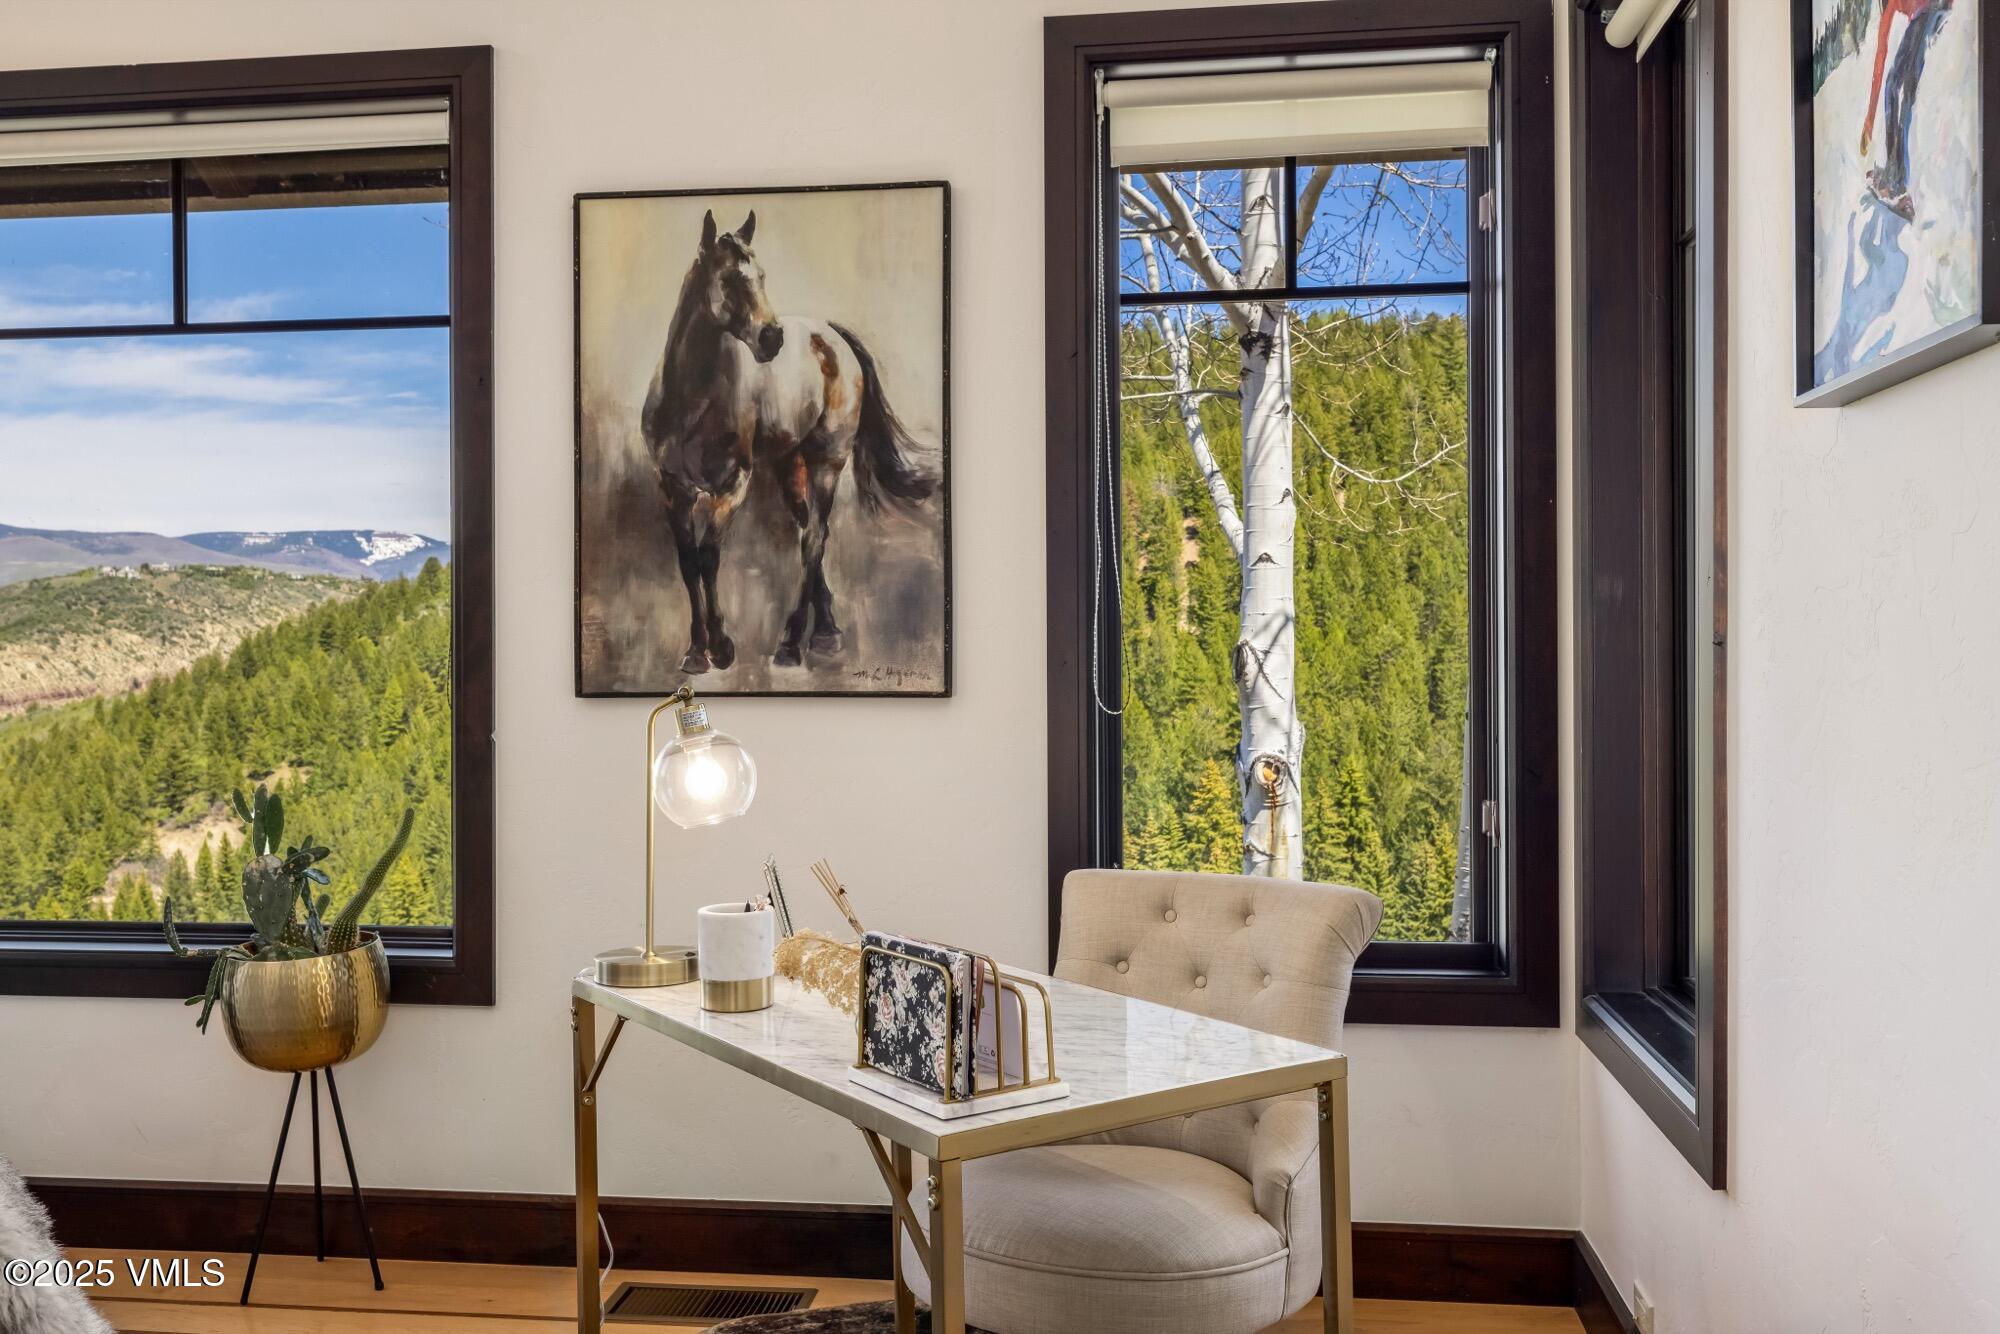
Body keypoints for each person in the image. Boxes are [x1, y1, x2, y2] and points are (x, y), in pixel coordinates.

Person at [1860, 0, 1955, 221]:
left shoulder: (1892, 3)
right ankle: (1894, 174)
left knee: (1897, 88)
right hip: (1933, 13)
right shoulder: (1895, 5)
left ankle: (1897, 181)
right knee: (1896, 87)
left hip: (1930, 13)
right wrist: (1869, 121)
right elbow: (1881, 57)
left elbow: (1881, 58)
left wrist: (1869, 121)